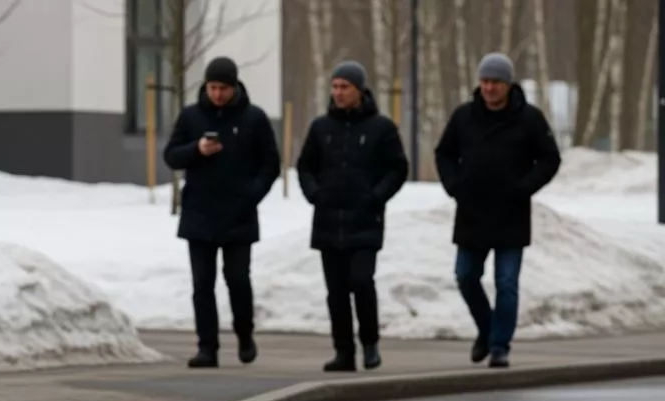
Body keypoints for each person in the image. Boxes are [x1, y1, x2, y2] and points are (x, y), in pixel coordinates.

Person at [434, 53, 560, 368]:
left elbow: (549, 159)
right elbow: (444, 153)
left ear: (508, 84)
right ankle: (487, 328)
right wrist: (454, 185)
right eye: (485, 81)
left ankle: (500, 345)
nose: (489, 88)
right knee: (465, 276)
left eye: (496, 82)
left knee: (506, 283)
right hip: (472, 213)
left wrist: (524, 187)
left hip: (511, 215)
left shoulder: (529, 118)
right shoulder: (464, 116)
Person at [163, 56, 281, 368]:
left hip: (239, 214)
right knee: (202, 285)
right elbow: (171, 155)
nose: (217, 94)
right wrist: (196, 151)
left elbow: (270, 163)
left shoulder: (254, 118)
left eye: (223, 88)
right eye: (213, 87)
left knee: (238, 280)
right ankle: (207, 347)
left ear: (234, 87)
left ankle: (245, 334)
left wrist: (252, 195)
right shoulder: (191, 117)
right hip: (199, 214)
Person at [295, 61, 409, 372]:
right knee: (336, 291)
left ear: (360, 90)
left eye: (345, 87)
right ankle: (343, 351)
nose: (339, 92)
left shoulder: (381, 128)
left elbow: (398, 168)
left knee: (361, 281)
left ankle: (370, 343)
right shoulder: (321, 128)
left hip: (364, 220)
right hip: (329, 221)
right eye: (334, 87)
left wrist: (376, 197)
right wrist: (314, 193)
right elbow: (305, 166)